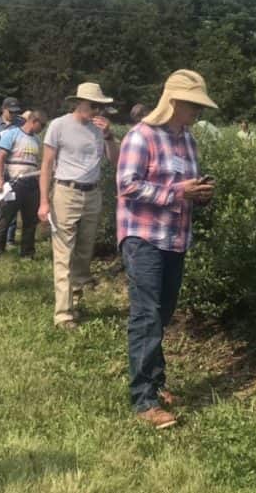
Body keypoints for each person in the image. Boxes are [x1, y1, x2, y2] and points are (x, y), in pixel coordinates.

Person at [117, 69, 217, 430]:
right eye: (194, 106)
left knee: (162, 314)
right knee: (146, 316)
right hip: (144, 238)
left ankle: (156, 383)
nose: (198, 113)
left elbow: (185, 185)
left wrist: (199, 194)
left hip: (176, 238)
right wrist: (178, 192)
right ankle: (144, 399)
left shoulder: (188, 140)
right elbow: (127, 185)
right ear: (174, 102)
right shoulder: (140, 137)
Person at [38, 83, 119, 329]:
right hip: (66, 191)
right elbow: (46, 165)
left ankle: (75, 300)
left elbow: (116, 162)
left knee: (84, 252)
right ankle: (63, 314)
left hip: (92, 194)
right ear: (78, 102)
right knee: (63, 252)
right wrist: (44, 201)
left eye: (101, 107)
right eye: (93, 105)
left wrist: (109, 136)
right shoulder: (58, 125)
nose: (97, 110)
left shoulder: (101, 129)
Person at [0, 109, 47, 259]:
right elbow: (1, 158)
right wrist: (0, 180)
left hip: (31, 184)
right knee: (5, 218)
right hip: (14, 183)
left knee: (30, 220)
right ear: (34, 121)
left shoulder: (36, 140)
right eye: (42, 125)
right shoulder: (12, 134)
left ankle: (27, 253)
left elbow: (36, 162)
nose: (42, 129)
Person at [0, 97, 23, 242]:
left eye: (16, 112)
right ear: (3, 109)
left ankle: (9, 238)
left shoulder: (21, 123)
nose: (13, 115)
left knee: (11, 202)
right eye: (11, 111)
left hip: (15, 169)